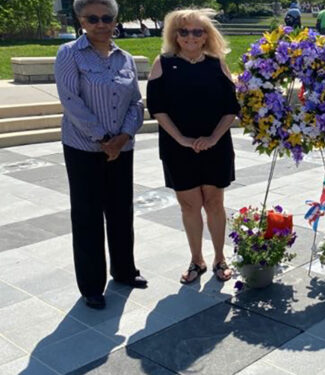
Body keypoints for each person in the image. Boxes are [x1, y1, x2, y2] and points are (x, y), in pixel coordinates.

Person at [54, 0, 147, 310]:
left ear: (115, 20)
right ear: (80, 20)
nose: (100, 23)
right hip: (84, 149)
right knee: (87, 216)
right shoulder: (69, 55)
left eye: (106, 17)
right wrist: (103, 139)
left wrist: (122, 138)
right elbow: (71, 101)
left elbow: (136, 102)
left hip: (121, 148)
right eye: (92, 18)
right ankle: (92, 285)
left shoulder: (126, 58)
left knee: (122, 211)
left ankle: (124, 271)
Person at [147, 8, 239, 284]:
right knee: (189, 205)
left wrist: (212, 138)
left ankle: (219, 258)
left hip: (216, 145)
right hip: (178, 147)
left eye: (197, 31)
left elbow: (231, 108)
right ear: (174, 34)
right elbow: (157, 108)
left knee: (214, 202)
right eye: (183, 31)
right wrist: (182, 140)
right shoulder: (163, 63)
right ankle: (196, 259)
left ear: (206, 35)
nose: (190, 36)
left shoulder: (216, 63)